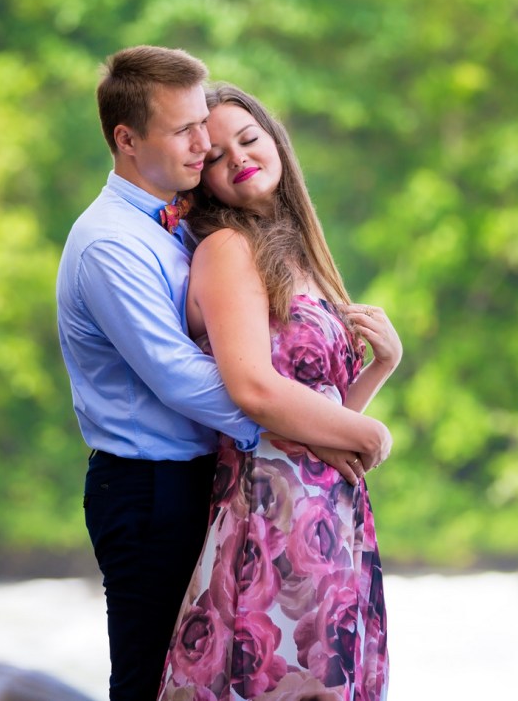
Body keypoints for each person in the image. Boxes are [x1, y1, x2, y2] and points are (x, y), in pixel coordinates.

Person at [55, 46, 393, 701]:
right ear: (127, 140)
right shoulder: (111, 244)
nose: (202, 141)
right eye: (188, 133)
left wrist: (328, 411)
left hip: (216, 477)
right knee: (153, 680)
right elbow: (189, 379)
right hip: (149, 488)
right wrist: (310, 429)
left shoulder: (180, 230)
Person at [156, 84, 400, 701]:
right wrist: (374, 435)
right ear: (201, 179)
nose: (237, 158)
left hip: (331, 514)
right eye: (216, 156)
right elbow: (254, 392)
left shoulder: (302, 259)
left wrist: (380, 367)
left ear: (276, 143)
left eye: (249, 139)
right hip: (270, 513)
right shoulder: (227, 250)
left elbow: (318, 418)